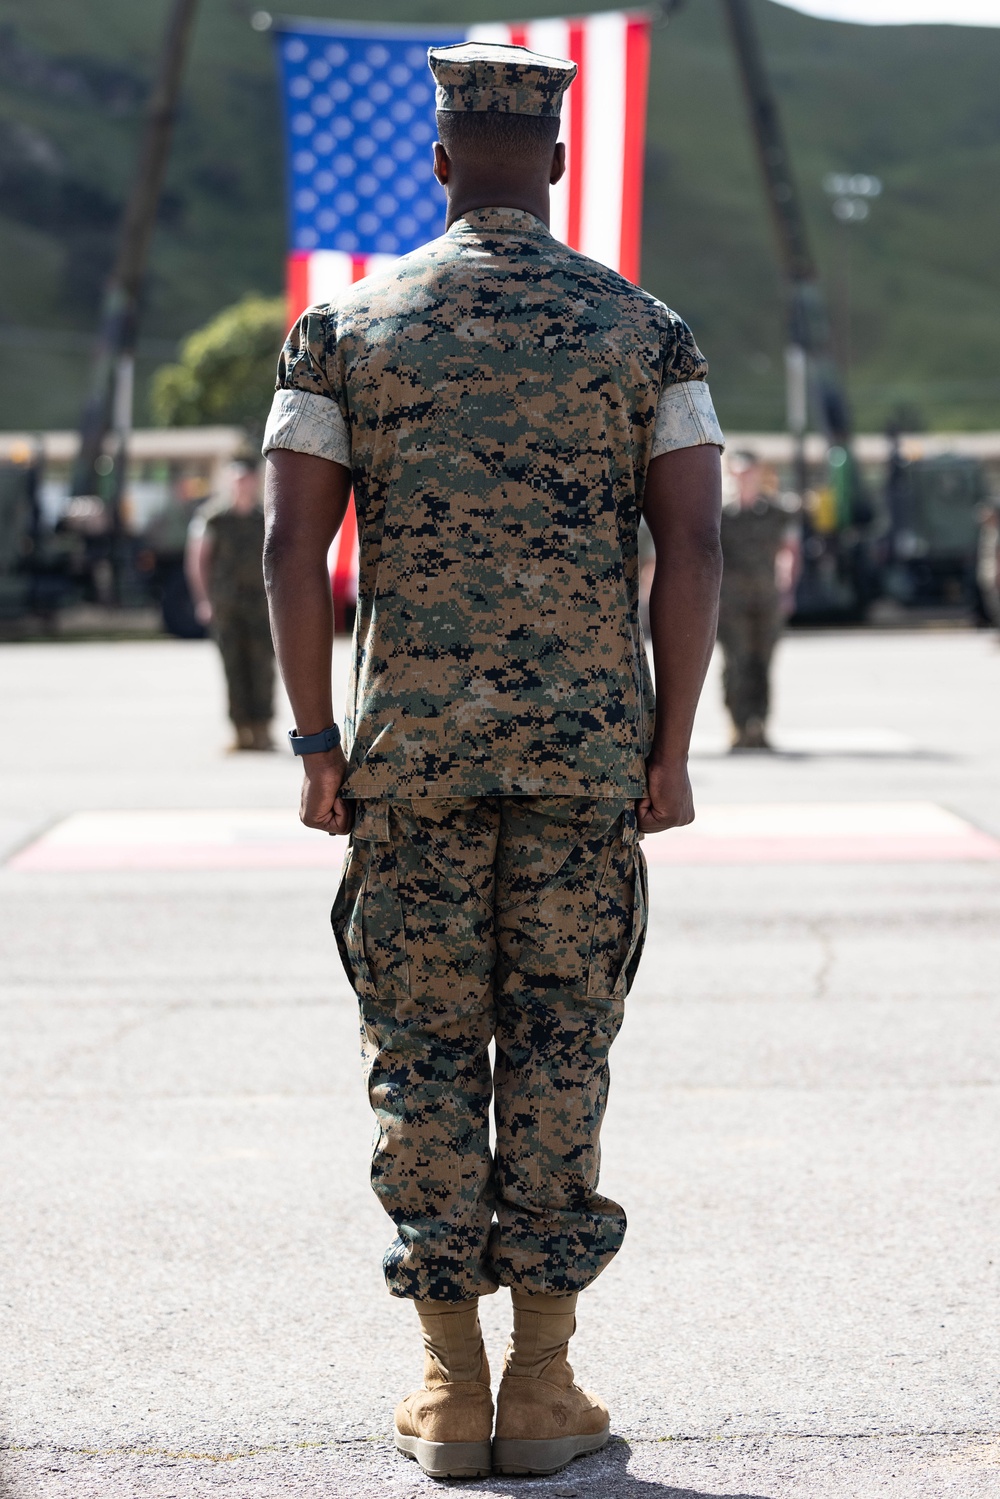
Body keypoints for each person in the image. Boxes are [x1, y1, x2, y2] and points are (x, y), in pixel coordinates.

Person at [261, 40, 723, 1481]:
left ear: (444, 160)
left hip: (407, 757)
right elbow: (695, 543)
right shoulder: (645, 329)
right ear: (562, 163)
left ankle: (449, 1388)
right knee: (561, 1048)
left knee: (421, 1053)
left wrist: (316, 742)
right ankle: (545, 1383)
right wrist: (672, 748)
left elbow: (290, 545)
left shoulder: (347, 326)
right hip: (590, 759)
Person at [186, 457, 275, 751]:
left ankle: (262, 730)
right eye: (236, 479)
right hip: (227, 606)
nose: (241, 485)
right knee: (233, 668)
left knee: (263, 667)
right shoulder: (213, 518)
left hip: (260, 606)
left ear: (254, 481)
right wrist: (204, 601)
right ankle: (240, 732)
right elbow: (198, 561)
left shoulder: (265, 516)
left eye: (246, 478)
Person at [717, 451, 800, 750]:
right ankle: (738, 725)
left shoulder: (777, 512)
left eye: (749, 472)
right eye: (739, 473)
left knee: (762, 664)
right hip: (731, 603)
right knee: (737, 663)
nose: (745, 478)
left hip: (767, 599)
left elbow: (789, 551)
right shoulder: (721, 514)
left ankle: (759, 725)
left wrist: (787, 590)